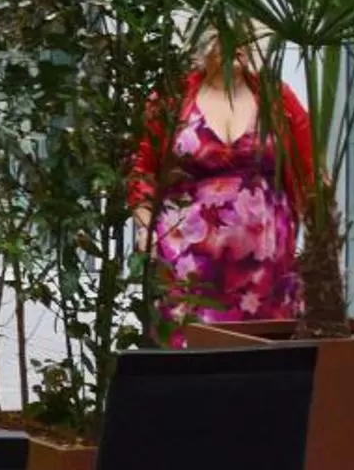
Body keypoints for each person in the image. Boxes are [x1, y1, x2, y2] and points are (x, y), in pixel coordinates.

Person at [132, 35, 313, 327]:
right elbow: (140, 169)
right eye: (222, 36)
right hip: (188, 260)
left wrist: (318, 233)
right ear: (201, 44)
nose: (234, 44)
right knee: (190, 351)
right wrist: (146, 227)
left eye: (243, 36)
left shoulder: (275, 97)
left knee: (263, 351)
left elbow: (311, 168)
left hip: (266, 263)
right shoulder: (172, 98)